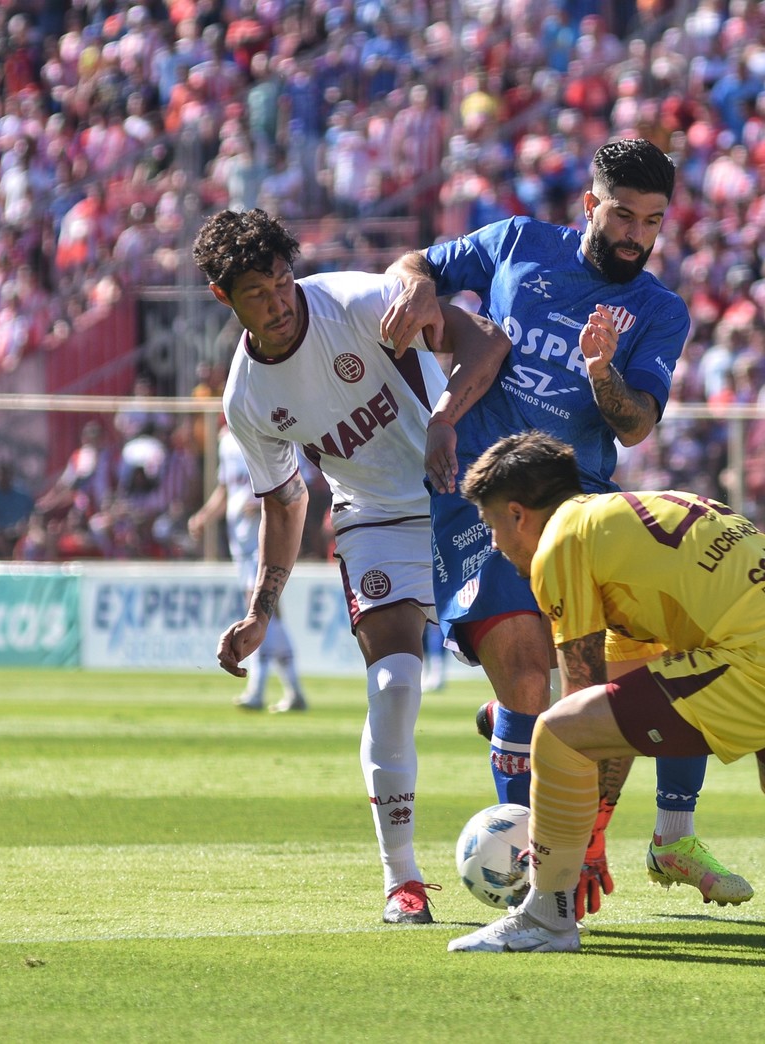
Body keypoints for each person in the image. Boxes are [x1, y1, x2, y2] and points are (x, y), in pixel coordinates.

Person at [380, 138, 749, 914]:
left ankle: (662, 832)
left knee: (678, 647)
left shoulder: (658, 311)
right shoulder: (516, 243)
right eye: (621, 214)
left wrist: (602, 375)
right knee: (525, 671)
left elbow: (639, 426)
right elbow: (420, 264)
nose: (634, 235)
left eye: (650, 222)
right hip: (482, 495)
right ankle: (543, 864)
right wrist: (414, 285)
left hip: (582, 505)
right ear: (590, 204)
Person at [446, 432, 765, 953]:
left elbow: (580, 704)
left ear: (518, 514)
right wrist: (591, 824)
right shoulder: (626, 524)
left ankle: (545, 918)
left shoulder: (560, 541)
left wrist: (573, 840)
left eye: (491, 524)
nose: (493, 542)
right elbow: (615, 689)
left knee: (557, 733)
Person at [193, 207, 510, 925]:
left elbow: (485, 343)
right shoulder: (247, 398)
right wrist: (259, 610)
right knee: (395, 683)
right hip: (373, 518)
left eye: (281, 281)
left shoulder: (357, 300)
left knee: (536, 679)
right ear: (226, 298)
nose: (276, 303)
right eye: (256, 293)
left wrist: (445, 418)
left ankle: (529, 778)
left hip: (466, 497)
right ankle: (402, 879)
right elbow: (283, 504)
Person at [189, 423, 307, 712]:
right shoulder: (227, 441)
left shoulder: (273, 431)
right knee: (263, 612)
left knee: (262, 610)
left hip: (264, 536)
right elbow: (227, 488)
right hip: (239, 540)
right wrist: (204, 516)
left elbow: (296, 481)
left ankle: (260, 688)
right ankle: (292, 691)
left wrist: (264, 504)